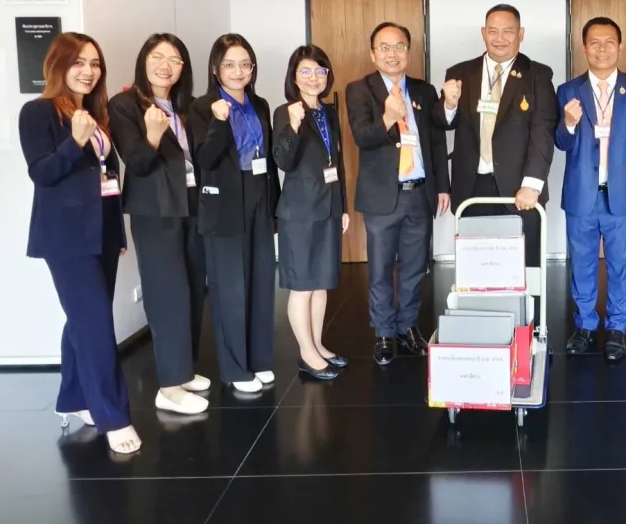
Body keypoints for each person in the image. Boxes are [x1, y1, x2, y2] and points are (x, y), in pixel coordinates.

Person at [18, 32, 141, 455]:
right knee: (95, 324)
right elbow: (42, 173)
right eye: (79, 62)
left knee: (84, 320)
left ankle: (74, 397)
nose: (88, 71)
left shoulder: (94, 114)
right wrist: (75, 141)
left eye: (95, 63)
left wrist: (117, 233)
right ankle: (114, 416)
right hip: (66, 237)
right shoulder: (38, 112)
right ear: (58, 65)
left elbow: (108, 180)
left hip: (101, 232)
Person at [109, 33, 209, 414]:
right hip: (155, 209)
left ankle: (183, 370)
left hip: (190, 204)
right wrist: (152, 135)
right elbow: (135, 162)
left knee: (193, 287)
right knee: (167, 292)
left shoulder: (185, 106)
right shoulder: (124, 105)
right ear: (144, 61)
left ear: (183, 68)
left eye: (175, 60)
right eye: (157, 57)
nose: (166, 66)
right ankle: (168, 387)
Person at [345, 23, 449, 366]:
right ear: (373, 53)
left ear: (408, 51)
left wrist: (443, 186)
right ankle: (384, 333)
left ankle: (407, 327)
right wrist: (388, 118)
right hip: (382, 196)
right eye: (385, 47)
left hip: (419, 192)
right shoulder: (359, 90)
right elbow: (363, 137)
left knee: (415, 268)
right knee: (380, 269)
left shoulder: (423, 91)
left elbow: (436, 142)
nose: (393, 54)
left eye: (399, 46)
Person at [555, 17, 626, 362]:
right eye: (594, 43)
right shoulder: (567, 90)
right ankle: (584, 326)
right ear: (584, 48)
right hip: (581, 193)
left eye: (609, 42)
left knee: (620, 264)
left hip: (621, 194)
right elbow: (561, 142)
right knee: (581, 263)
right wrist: (568, 123)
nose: (602, 49)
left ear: (620, 47)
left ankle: (616, 328)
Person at [433, 4, 558, 272]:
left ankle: (528, 305)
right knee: (477, 269)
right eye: (493, 31)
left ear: (521, 34)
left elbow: (543, 133)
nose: (500, 38)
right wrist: (449, 104)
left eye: (508, 31)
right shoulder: (459, 73)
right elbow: (443, 123)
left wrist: (532, 186)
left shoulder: (538, 75)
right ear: (483, 33)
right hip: (472, 187)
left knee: (524, 270)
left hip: (521, 189)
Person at [188, 34, 280, 393]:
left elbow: (267, 160)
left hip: (258, 194)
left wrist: (274, 206)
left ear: (252, 68)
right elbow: (205, 159)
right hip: (224, 201)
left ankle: (258, 359)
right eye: (229, 64)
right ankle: (235, 368)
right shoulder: (202, 107)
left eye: (245, 64)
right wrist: (218, 122)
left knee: (261, 280)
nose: (238, 71)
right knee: (230, 288)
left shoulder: (260, 104)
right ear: (215, 68)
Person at [272, 45, 349, 381]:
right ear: (294, 77)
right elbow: (283, 160)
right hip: (300, 212)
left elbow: (337, 162)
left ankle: (317, 344)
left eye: (320, 71)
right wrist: (292, 125)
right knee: (303, 285)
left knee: (321, 284)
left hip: (328, 206)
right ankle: (306, 353)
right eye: (305, 71)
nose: (313, 78)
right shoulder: (285, 111)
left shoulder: (328, 112)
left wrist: (342, 206)